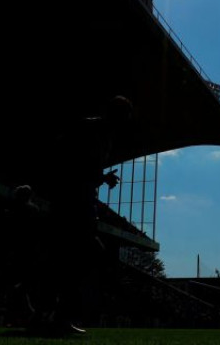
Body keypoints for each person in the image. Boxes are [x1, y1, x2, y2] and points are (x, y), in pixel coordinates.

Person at [41, 95, 134, 335]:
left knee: (78, 256)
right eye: (122, 115)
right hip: (72, 199)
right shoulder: (89, 128)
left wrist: (102, 178)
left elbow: (86, 167)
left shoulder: (105, 135)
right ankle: (53, 314)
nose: (124, 120)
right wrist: (97, 177)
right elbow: (73, 162)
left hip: (82, 199)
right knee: (78, 255)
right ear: (114, 113)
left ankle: (52, 314)